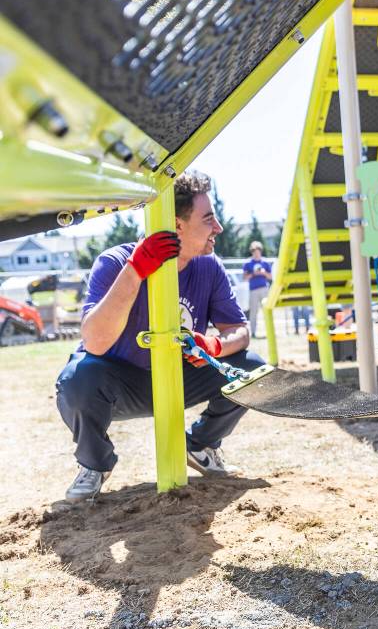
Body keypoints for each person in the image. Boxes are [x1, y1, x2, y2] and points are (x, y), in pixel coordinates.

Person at [57, 172, 264, 502]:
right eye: (208, 218)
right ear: (177, 226)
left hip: (179, 376)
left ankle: (200, 445)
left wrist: (215, 345)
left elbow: (241, 332)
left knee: (251, 368)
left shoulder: (209, 267)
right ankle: (94, 464)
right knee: (76, 379)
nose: (219, 228)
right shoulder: (114, 262)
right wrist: (136, 270)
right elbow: (94, 342)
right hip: (120, 382)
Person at [243, 240, 273, 338]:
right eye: (254, 251)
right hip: (253, 290)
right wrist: (253, 274)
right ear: (252, 252)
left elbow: (270, 277)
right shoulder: (248, 263)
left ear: (260, 251)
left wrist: (263, 273)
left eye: (258, 251)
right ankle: (253, 332)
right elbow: (245, 278)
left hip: (264, 289)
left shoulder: (265, 262)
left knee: (267, 311)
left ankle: (269, 332)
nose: (256, 253)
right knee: (253, 312)